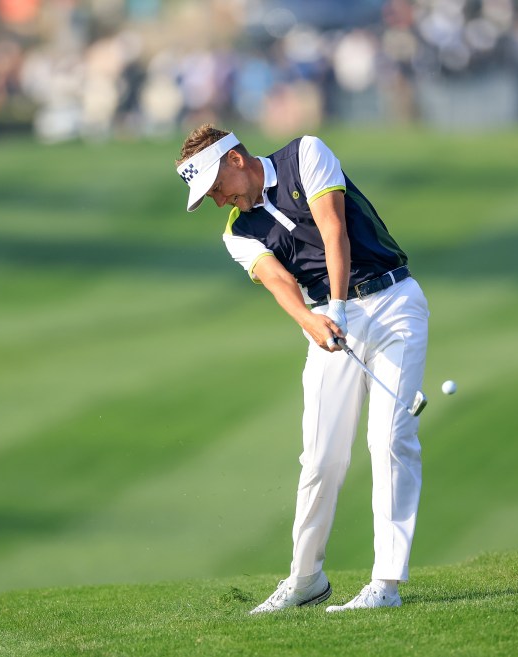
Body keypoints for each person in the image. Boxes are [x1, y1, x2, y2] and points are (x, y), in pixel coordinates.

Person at [175, 124, 429, 613]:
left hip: (393, 301)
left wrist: (334, 305)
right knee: (321, 459)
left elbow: (332, 228)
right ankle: (306, 578)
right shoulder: (237, 231)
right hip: (327, 324)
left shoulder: (305, 155)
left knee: (390, 440)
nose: (216, 200)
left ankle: (387, 584)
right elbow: (277, 281)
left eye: (214, 188)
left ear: (234, 161)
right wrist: (311, 319)